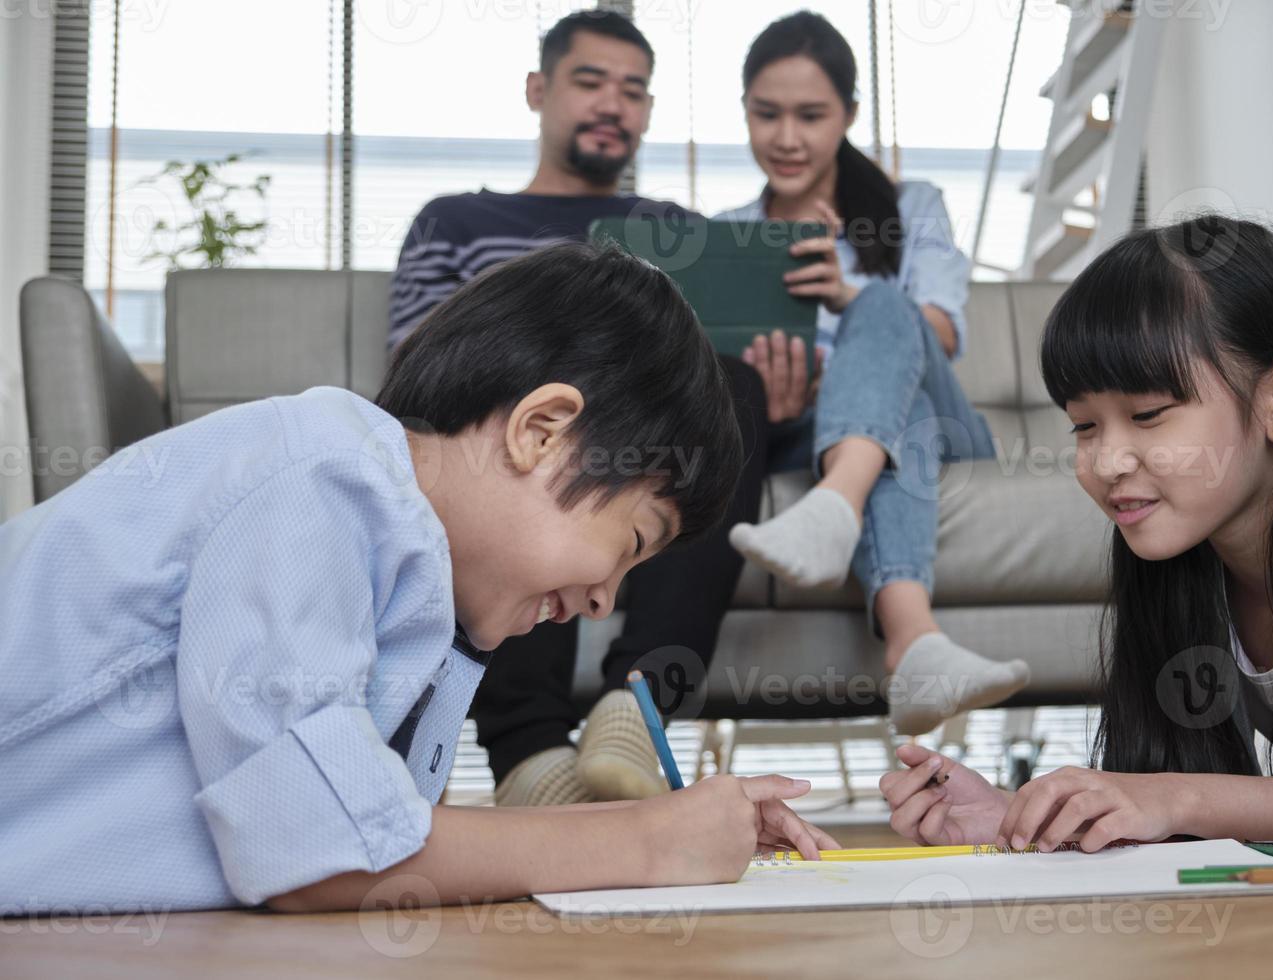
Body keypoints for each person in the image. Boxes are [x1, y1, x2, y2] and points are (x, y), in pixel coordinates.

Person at [0, 242, 838, 914]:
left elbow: (381, 839)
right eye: (629, 544)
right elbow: (321, 855)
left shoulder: (418, 605)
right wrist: (651, 842)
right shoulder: (320, 475)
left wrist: (652, 821)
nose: (603, 602)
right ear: (542, 432)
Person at [881, 216, 1273, 850]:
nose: (1107, 463)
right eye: (1084, 427)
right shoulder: (1181, 554)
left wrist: (1168, 794)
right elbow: (1209, 805)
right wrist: (1021, 815)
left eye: (1148, 415)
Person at [390, 10, 772, 807]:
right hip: (523, 424)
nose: (613, 104)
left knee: (732, 387)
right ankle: (529, 751)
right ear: (539, 90)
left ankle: (636, 709)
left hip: (654, 443)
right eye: (590, 81)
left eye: (633, 91)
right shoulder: (456, 221)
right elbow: (425, 375)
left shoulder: (678, 232)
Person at [717, 12, 1030, 735]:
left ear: (849, 116)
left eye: (811, 115)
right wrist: (770, 389)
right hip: (809, 431)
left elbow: (940, 335)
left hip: (946, 421)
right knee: (899, 427)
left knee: (889, 311)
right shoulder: (730, 230)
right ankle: (916, 646)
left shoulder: (910, 207)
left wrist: (847, 297)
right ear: (745, 113)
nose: (787, 137)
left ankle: (834, 506)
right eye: (767, 115)